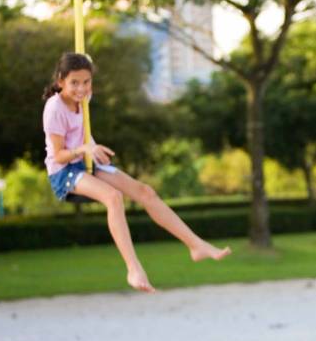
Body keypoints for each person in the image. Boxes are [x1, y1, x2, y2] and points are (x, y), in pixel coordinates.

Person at [42, 52, 231, 293]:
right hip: (64, 170)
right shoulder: (54, 108)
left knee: (146, 192)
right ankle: (133, 268)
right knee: (113, 197)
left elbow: (86, 65)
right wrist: (84, 148)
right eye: (74, 83)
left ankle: (196, 245)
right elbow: (58, 155)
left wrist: (88, 150)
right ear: (60, 81)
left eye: (86, 82)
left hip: (88, 159)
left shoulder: (84, 97)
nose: (81, 88)